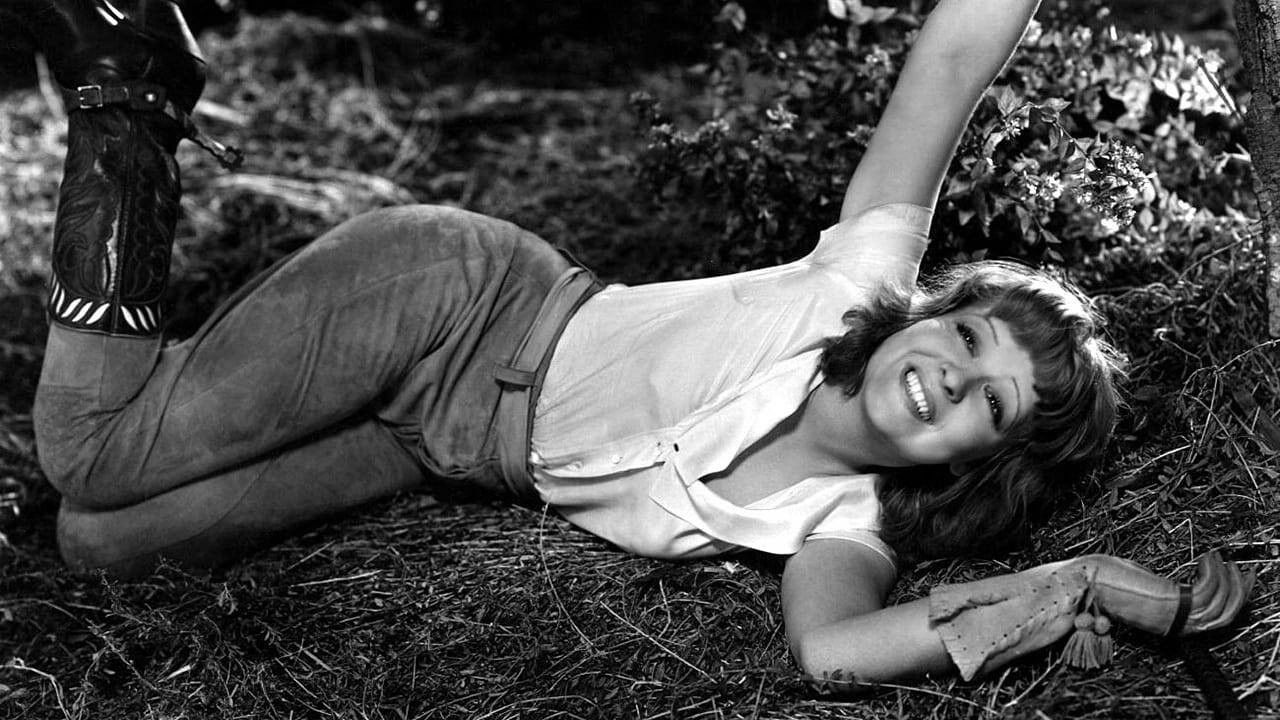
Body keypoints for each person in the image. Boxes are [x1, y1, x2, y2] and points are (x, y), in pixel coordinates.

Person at [7, 0, 1251, 688]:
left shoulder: (839, 528)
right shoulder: (850, 283)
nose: (946, 374)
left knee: (100, 541)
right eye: (965, 334)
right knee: (91, 453)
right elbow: (952, 60)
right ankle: (131, 82)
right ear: (926, 310)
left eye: (987, 402)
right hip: (458, 298)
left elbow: (831, 653)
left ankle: (190, 387)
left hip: (428, 443)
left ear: (987, 461)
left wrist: (1075, 587)